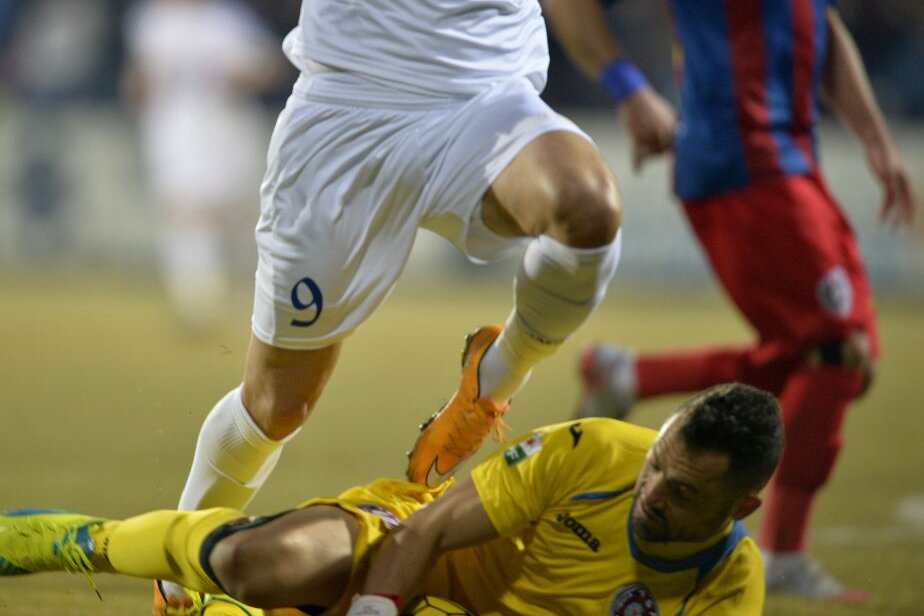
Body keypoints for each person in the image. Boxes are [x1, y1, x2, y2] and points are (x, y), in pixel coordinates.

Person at [156, 0, 624, 611]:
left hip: (486, 94)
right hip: (348, 108)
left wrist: (629, 83)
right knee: (277, 405)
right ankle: (176, 578)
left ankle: (493, 381)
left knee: (587, 207)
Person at [542, 0, 919, 601]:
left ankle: (630, 375)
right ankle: (784, 554)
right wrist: (628, 87)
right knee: (835, 351)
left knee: (843, 359)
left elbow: (821, 22)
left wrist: (877, 141)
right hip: (742, 162)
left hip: (795, 159)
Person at [0, 383, 783, 615]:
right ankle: (79, 542)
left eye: (681, 490)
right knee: (258, 561)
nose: (651, 491)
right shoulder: (598, 451)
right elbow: (428, 529)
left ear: (740, 509)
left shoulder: (728, 590)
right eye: (657, 464)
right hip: (421, 557)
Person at [122, 0, 286, 335]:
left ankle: (251, 298)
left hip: (228, 131)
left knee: (237, 218)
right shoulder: (152, 19)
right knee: (185, 210)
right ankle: (196, 302)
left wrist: (238, 78)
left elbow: (271, 67)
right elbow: (137, 77)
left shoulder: (227, 20)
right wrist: (139, 90)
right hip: (174, 132)